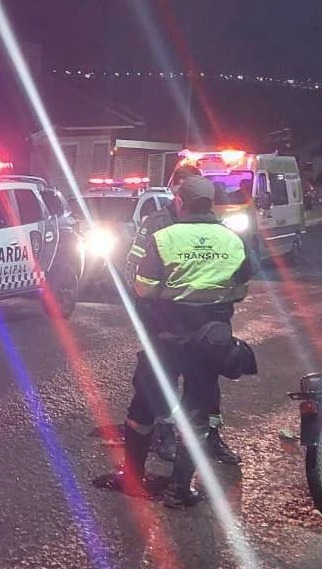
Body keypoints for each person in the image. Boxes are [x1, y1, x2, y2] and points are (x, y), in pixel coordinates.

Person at [95, 174, 252, 508]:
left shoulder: (164, 237)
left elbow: (144, 287)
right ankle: (180, 489)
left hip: (166, 337)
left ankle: (133, 479)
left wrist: (173, 296)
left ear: (180, 201)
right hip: (211, 340)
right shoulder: (232, 239)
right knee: (198, 414)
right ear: (211, 203)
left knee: (144, 407)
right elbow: (240, 288)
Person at [132, 163, 243, 467]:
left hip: (207, 324)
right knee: (163, 379)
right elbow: (136, 269)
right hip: (166, 320)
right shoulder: (157, 222)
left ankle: (210, 436)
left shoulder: (217, 228)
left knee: (206, 383)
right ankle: (165, 433)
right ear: (176, 191)